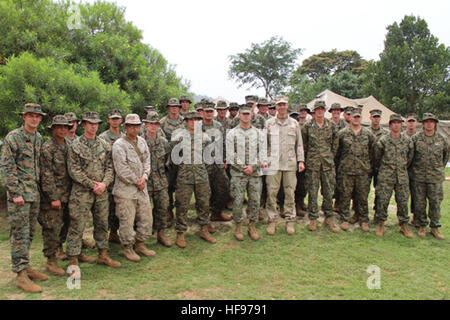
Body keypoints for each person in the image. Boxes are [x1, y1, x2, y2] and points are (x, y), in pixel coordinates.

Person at [0, 103, 48, 293]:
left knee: (28, 234)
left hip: (33, 193)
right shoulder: (13, 137)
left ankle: (26, 267)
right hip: (19, 194)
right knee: (19, 234)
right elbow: (7, 167)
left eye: (37, 116)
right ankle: (20, 275)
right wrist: (15, 193)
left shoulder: (38, 138)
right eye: (30, 116)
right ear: (24, 117)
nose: (34, 119)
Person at [66, 111, 121, 275]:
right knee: (77, 226)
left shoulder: (104, 144)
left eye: (95, 123)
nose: (93, 126)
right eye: (90, 123)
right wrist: (92, 185)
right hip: (81, 192)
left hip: (102, 192)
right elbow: (74, 170)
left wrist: (104, 183)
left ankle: (103, 254)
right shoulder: (75, 145)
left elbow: (110, 167)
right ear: (83, 125)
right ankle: (73, 261)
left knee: (102, 224)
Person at [112, 114, 155, 262]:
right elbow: (121, 168)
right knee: (127, 220)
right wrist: (137, 180)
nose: (134, 128)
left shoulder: (142, 142)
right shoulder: (119, 144)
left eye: (137, 126)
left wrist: (144, 177)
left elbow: (147, 161)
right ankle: (128, 248)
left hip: (141, 187)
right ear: (126, 127)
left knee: (146, 217)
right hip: (126, 190)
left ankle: (141, 244)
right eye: (131, 126)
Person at [172, 111, 216, 248]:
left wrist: (202, 170)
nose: (193, 122)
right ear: (186, 121)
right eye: (191, 120)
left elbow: (210, 157)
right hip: (184, 176)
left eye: (196, 120)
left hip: (201, 175)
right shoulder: (179, 137)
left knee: (204, 203)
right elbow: (173, 158)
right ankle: (180, 233)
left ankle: (204, 229)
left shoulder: (205, 137)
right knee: (182, 205)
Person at [226, 104, 267, 241]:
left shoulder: (258, 133)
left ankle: (252, 226)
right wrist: (244, 167)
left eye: (248, 114)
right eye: (243, 114)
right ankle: (238, 226)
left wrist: (253, 167)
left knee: (255, 201)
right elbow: (231, 155)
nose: (245, 116)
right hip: (238, 174)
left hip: (254, 174)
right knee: (237, 201)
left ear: (252, 115)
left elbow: (262, 154)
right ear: (239, 115)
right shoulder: (232, 134)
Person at [39, 115, 73, 276]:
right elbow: (46, 175)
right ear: (53, 128)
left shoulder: (69, 145)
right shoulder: (48, 148)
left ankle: (61, 251)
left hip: (69, 194)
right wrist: (53, 197)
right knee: (52, 228)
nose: (62, 129)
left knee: (66, 225)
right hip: (54, 197)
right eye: (59, 127)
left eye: (65, 127)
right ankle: (51, 261)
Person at [265, 96, 305, 235]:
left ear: (287, 106)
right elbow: (264, 144)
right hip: (273, 164)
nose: (281, 107)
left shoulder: (294, 123)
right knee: (272, 192)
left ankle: (290, 220)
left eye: (284, 104)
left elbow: (299, 143)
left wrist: (301, 161)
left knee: (289, 192)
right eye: (279, 105)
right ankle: (272, 220)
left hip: (290, 163)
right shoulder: (269, 123)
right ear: (276, 107)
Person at [373, 114, 414, 238]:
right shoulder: (383, 140)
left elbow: (410, 158)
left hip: (401, 176)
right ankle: (381, 224)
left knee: (402, 201)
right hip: (386, 176)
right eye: (394, 123)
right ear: (390, 125)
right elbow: (376, 158)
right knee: (382, 200)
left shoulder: (407, 141)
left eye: (398, 123)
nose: (396, 125)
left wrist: (402, 168)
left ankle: (403, 226)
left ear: (401, 125)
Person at [410, 113, 449, 240]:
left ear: (435, 123)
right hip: (419, 177)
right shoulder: (416, 138)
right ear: (423, 123)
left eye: (431, 121)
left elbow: (445, 157)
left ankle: (435, 227)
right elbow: (411, 157)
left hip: (435, 178)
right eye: (426, 121)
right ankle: (422, 226)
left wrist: (438, 169)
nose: (429, 124)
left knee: (435, 203)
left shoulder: (441, 139)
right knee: (420, 203)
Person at [302, 100, 339, 232]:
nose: (319, 111)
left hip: (327, 164)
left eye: (321, 109)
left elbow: (335, 144)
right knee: (312, 192)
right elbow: (304, 145)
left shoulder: (332, 125)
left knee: (329, 192)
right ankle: (313, 218)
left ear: (324, 110)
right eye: (317, 109)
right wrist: (308, 159)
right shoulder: (307, 126)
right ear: (314, 111)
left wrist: (329, 156)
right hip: (312, 164)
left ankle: (329, 218)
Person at [335, 109, 375, 232]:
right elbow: (337, 152)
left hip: (363, 172)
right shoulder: (342, 133)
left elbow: (373, 152)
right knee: (345, 196)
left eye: (358, 117)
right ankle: (345, 219)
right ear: (350, 118)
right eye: (354, 117)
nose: (356, 119)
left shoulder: (368, 134)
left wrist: (369, 167)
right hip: (346, 171)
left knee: (362, 197)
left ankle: (363, 220)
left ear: (361, 118)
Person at [143, 111, 172, 247]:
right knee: (143, 212)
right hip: (144, 183)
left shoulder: (164, 143)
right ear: (146, 124)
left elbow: (168, 162)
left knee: (162, 209)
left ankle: (161, 234)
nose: (153, 126)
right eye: (150, 124)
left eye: (156, 124)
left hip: (160, 182)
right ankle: (141, 239)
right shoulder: (139, 142)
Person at [200, 101, 232, 222]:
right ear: (202, 113)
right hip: (204, 164)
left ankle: (217, 213)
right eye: (206, 111)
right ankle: (205, 218)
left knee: (224, 187)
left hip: (218, 162)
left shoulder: (218, 125)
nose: (209, 114)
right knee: (205, 191)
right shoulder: (198, 126)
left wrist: (225, 159)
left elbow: (223, 143)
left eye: (210, 111)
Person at [99, 109, 124, 245]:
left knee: (118, 208)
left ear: (121, 120)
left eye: (117, 118)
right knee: (106, 208)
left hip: (121, 178)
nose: (115, 121)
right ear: (108, 120)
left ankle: (114, 233)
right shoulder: (102, 138)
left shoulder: (125, 136)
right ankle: (104, 238)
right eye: (112, 118)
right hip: (107, 178)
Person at [160, 98, 185, 224]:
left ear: (179, 108)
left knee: (182, 187)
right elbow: (161, 143)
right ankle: (169, 211)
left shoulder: (185, 121)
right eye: (172, 106)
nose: (174, 108)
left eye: (176, 106)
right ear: (168, 108)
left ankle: (181, 212)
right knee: (168, 187)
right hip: (168, 160)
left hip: (182, 159)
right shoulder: (162, 122)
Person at [404, 113, 419, 226]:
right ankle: (403, 218)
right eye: (409, 121)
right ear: (405, 123)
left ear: (417, 123)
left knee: (416, 195)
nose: (411, 123)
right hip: (403, 170)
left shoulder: (419, 137)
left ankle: (416, 217)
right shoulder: (401, 136)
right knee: (403, 195)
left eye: (413, 121)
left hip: (417, 171)